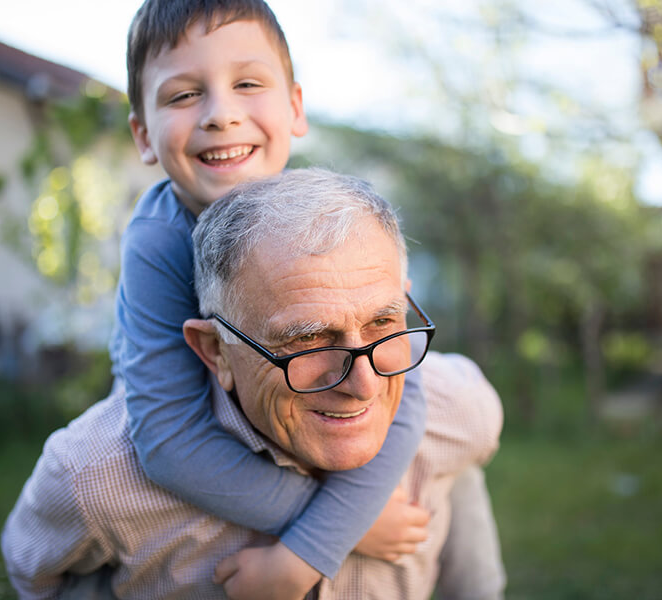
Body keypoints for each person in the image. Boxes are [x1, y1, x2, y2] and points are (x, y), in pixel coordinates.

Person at [1, 168, 504, 599]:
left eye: (383, 323)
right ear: (216, 351)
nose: (365, 386)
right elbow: (36, 574)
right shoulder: (96, 476)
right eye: (309, 340)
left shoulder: (458, 407)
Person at [106, 0, 464, 596]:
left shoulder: (333, 218)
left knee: (454, 447)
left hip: (314, 417)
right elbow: (169, 439)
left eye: (248, 83)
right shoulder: (157, 243)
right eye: (183, 95)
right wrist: (334, 529)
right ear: (143, 134)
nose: (221, 114)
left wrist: (315, 539)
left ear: (295, 108)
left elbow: (407, 400)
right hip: (230, 435)